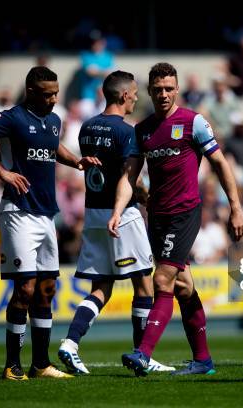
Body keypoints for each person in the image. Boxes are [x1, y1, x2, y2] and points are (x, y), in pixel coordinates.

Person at [0, 66, 100, 380]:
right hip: (18, 212)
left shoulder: (53, 120)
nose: (54, 98)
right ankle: (12, 364)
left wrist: (76, 160)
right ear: (32, 92)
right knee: (23, 288)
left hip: (46, 214)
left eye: (56, 92)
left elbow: (54, 147)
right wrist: (1, 171)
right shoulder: (12, 118)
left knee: (46, 289)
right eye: (48, 93)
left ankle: (41, 364)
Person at [108, 62, 243, 376]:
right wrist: (118, 211)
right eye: (157, 90)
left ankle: (143, 353)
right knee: (183, 286)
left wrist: (236, 208)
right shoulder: (141, 130)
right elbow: (129, 176)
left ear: (177, 89)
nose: (163, 94)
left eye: (169, 88)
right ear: (149, 92)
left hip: (185, 213)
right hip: (156, 216)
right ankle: (203, 361)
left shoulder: (193, 122)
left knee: (162, 280)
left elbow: (221, 164)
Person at [57, 70, 174, 374]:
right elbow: (127, 176)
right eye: (135, 93)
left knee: (101, 288)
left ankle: (70, 343)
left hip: (93, 212)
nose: (137, 97)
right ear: (124, 96)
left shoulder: (86, 127)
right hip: (121, 214)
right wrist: (140, 196)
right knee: (144, 284)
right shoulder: (127, 131)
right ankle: (142, 356)